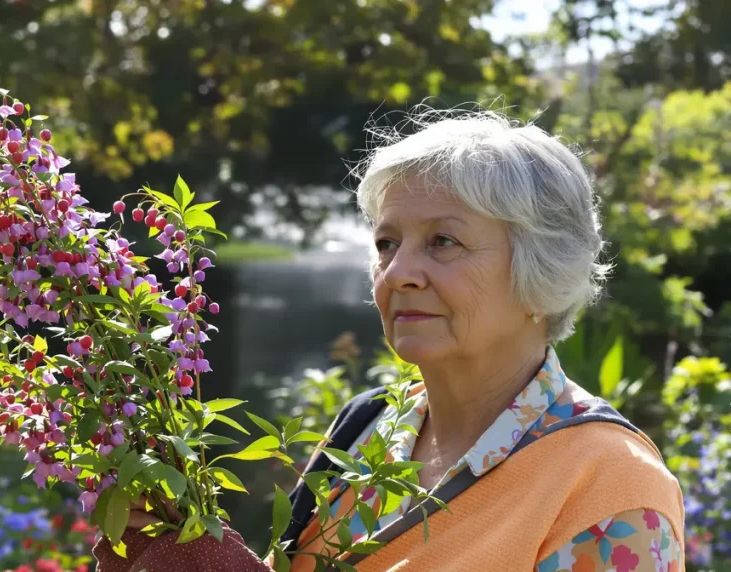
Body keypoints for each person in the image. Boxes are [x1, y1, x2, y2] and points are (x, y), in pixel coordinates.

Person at [93, 109, 686, 571]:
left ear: (542, 269)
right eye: (386, 244)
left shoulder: (610, 486)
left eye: (443, 242)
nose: (399, 271)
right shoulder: (367, 426)